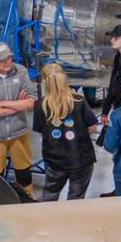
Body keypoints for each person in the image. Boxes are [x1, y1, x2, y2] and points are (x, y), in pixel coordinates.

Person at [0, 42, 36, 193]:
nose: (7, 62)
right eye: (2, 60)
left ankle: (27, 202)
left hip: (19, 133)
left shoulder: (20, 71)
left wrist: (2, 104)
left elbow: (32, 100)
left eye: (9, 58)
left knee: (24, 174)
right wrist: (17, 105)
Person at [34, 62, 97, 201]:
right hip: (81, 159)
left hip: (55, 161)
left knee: (50, 195)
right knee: (76, 199)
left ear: (45, 81)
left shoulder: (40, 105)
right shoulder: (79, 101)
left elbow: (40, 131)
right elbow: (93, 127)